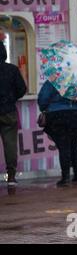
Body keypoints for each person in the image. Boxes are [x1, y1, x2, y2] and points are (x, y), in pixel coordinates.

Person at [38, 80, 77, 187]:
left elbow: (43, 99)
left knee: (64, 145)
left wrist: (45, 108)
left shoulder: (54, 78)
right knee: (74, 144)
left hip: (58, 114)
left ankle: (65, 177)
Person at [0, 41, 27, 186]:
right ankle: (11, 176)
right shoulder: (12, 70)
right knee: (10, 144)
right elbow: (22, 89)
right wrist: (11, 98)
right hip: (8, 111)